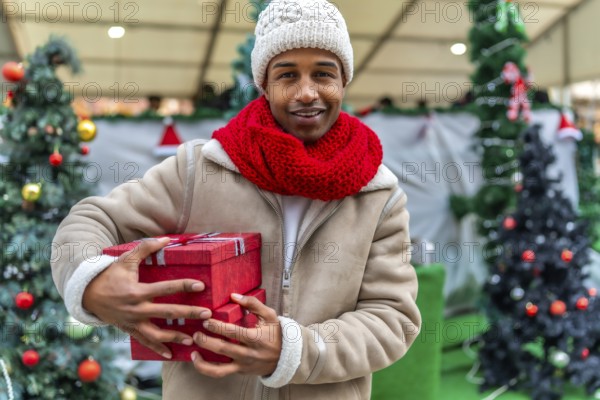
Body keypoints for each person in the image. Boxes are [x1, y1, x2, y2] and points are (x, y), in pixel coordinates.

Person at [51, 0, 421, 398]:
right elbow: (92, 218)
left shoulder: (377, 194)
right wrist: (92, 281)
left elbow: (391, 318)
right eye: (287, 75)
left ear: (343, 81)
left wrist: (293, 350)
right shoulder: (201, 168)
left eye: (324, 74)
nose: (307, 92)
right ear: (264, 83)